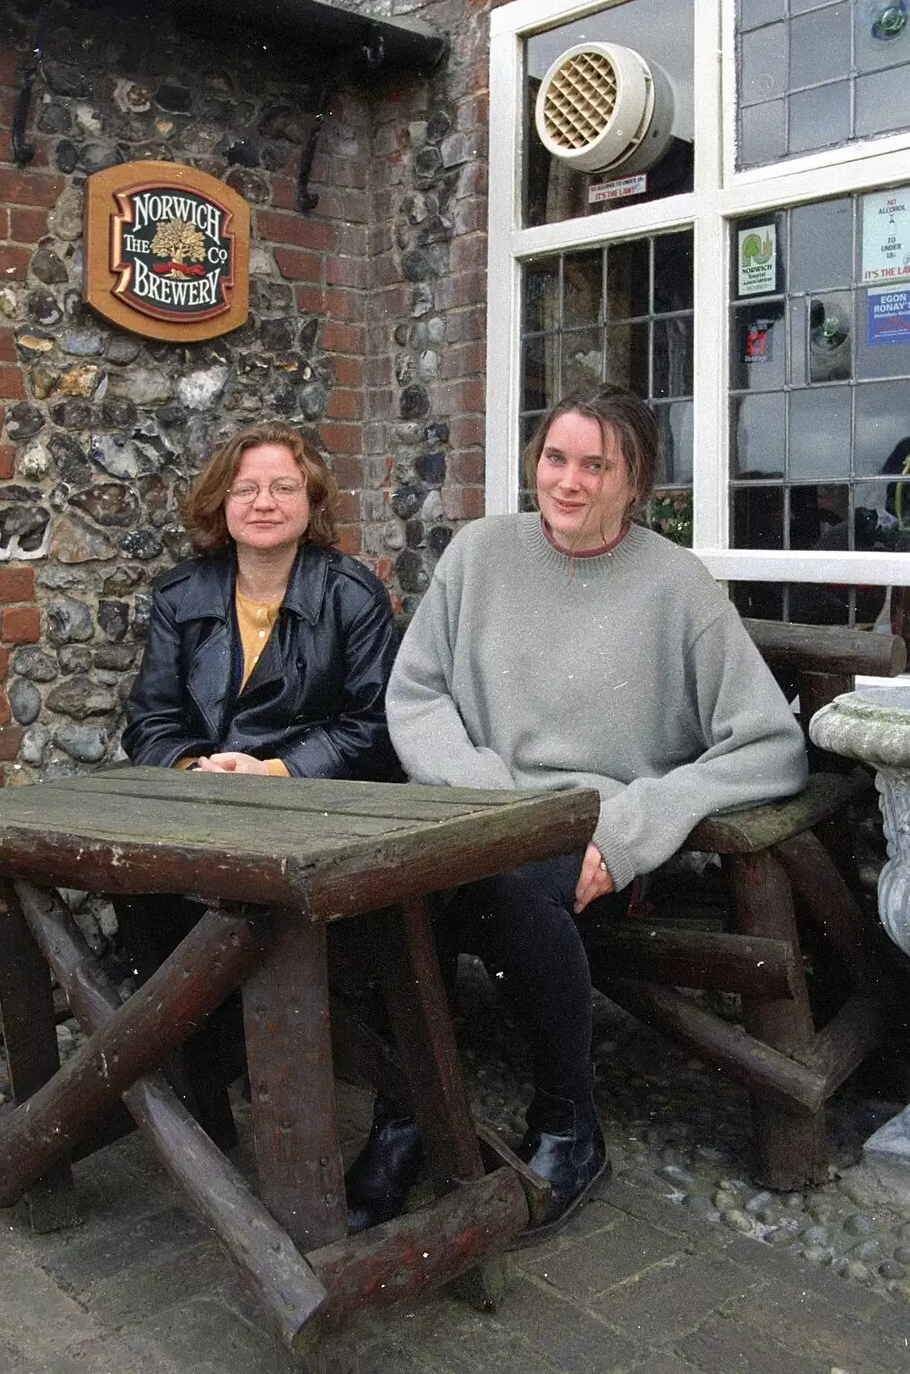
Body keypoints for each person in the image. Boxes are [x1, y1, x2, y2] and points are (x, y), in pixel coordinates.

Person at [344, 385, 807, 1240]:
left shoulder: (677, 587)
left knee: (516, 888)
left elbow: (768, 744)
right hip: (471, 810)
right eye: (555, 458)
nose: (568, 481)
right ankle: (404, 1113)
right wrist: (484, 794)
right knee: (392, 884)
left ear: (635, 483)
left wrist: (628, 833)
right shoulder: (479, 554)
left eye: (596, 464)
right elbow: (416, 696)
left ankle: (567, 1124)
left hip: (590, 840)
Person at [122, 421, 401, 781]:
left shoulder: (354, 597)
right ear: (221, 502)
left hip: (314, 805)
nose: (264, 503)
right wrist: (196, 769)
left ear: (312, 502)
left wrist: (273, 772)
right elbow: (150, 720)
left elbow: (373, 726)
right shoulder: (179, 594)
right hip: (197, 795)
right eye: (244, 490)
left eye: (284, 488)